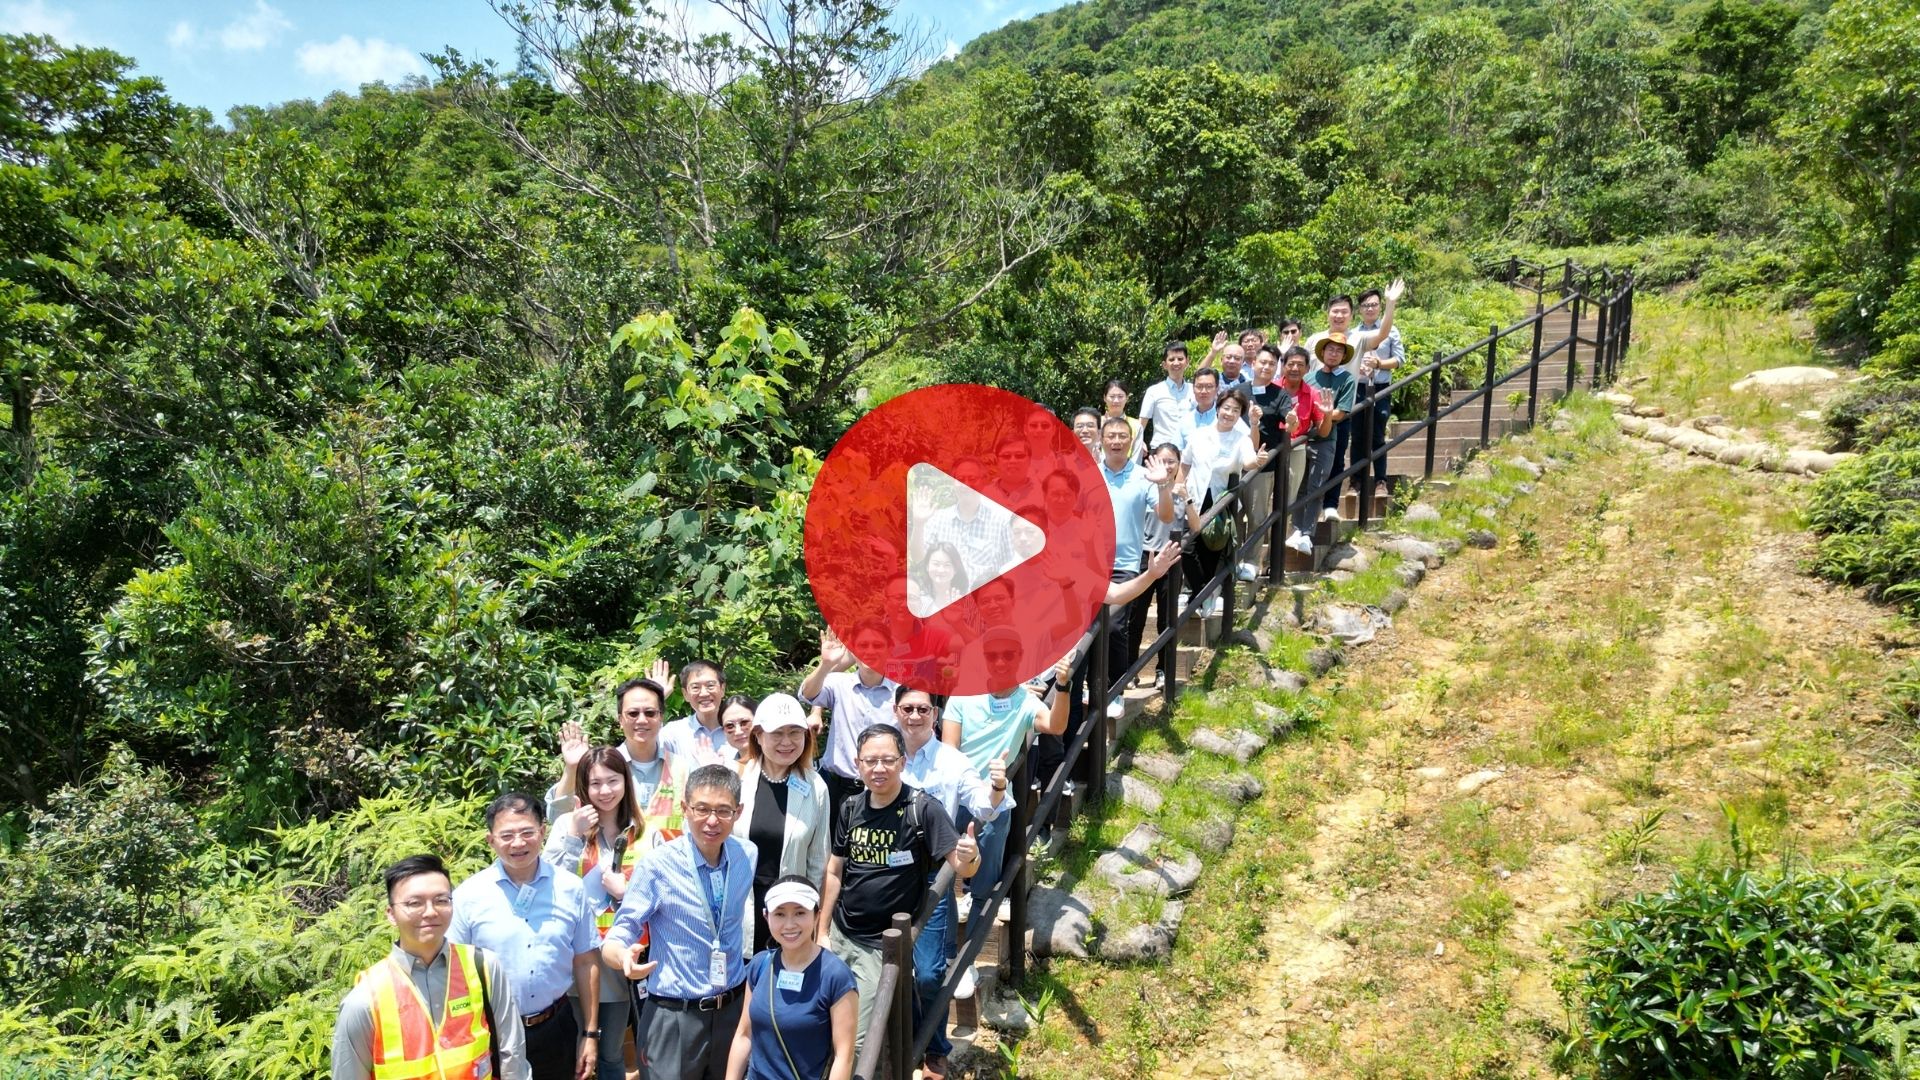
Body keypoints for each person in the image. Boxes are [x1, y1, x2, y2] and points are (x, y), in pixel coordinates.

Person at [819, 725, 980, 1076]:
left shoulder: (922, 808)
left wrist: (970, 855)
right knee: (823, 1028)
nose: (879, 768)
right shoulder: (850, 807)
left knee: (860, 1039)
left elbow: (961, 866)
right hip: (842, 933)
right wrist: (822, 930)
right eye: (870, 761)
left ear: (902, 762)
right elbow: (834, 872)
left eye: (888, 760)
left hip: (881, 946)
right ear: (858, 764)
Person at [603, 764, 757, 1080]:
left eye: (723, 811)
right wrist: (623, 958)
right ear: (685, 808)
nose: (712, 820)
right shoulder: (658, 865)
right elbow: (622, 929)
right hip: (675, 1015)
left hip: (731, 1010)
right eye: (702, 809)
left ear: (738, 812)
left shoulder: (746, 855)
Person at [333, 854, 530, 1080]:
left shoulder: (483, 967)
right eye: (414, 903)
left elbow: (511, 1051)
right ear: (391, 914)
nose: (430, 912)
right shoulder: (365, 999)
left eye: (441, 900)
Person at [450, 794, 603, 1080]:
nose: (518, 843)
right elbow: (451, 974)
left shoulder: (570, 888)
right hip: (490, 1033)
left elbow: (586, 961)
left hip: (555, 1027)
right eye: (506, 835)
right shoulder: (467, 897)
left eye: (527, 832)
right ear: (490, 840)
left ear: (542, 832)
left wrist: (590, 1033)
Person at [895, 686, 1010, 1066]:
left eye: (922, 709)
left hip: (933, 876)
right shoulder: (882, 754)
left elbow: (982, 806)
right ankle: (900, 1047)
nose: (914, 716)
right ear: (896, 711)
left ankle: (933, 1048)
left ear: (935, 713)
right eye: (908, 708)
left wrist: (996, 786)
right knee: (891, 972)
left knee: (929, 973)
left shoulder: (951, 760)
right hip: (885, 875)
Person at [542, 748, 648, 1080]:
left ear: (625, 782)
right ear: (584, 787)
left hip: (620, 959)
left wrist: (625, 892)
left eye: (612, 781)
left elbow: (657, 895)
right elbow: (544, 879)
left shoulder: (643, 832)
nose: (604, 791)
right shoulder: (566, 825)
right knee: (577, 1050)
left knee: (613, 1052)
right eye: (595, 783)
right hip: (576, 958)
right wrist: (574, 836)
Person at [940, 627, 1065, 903]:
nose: (999, 662)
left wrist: (1064, 687)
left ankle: (978, 929)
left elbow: (1056, 725)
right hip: (956, 798)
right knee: (941, 886)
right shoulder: (962, 695)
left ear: (1020, 658)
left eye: (1008, 655)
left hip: (995, 802)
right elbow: (948, 753)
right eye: (992, 656)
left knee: (985, 889)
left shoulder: (1026, 702)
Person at [724, 876, 857, 1080]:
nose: (789, 924)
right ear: (766, 917)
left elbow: (843, 1056)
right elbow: (744, 1035)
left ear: (816, 915)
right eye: (779, 914)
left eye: (800, 913)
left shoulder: (835, 976)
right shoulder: (759, 966)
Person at [733, 693, 831, 953]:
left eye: (794, 733)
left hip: (790, 912)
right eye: (777, 733)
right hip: (740, 906)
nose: (786, 742)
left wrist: (811, 918)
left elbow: (818, 862)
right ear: (758, 735)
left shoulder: (815, 787)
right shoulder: (737, 778)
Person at [1098, 415, 1176, 701]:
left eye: (1122, 436)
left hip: (1126, 564)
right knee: (1090, 631)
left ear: (1131, 442)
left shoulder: (1144, 477)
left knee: (1116, 627)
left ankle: (1116, 690)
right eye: (1111, 436)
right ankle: (1097, 689)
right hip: (1090, 566)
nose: (1116, 441)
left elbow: (1166, 516)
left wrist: (1164, 485)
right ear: (1101, 440)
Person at [799, 624, 901, 834]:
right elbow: (806, 694)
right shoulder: (838, 683)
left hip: (885, 787)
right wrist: (826, 665)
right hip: (839, 787)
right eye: (863, 645)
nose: (870, 651)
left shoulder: (900, 692)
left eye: (877, 645)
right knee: (829, 854)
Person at [546, 667, 683, 824]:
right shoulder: (603, 765)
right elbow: (558, 818)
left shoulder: (681, 768)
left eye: (650, 713)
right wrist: (572, 769)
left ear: (661, 718)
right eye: (633, 714)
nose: (642, 720)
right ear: (620, 720)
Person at [1180, 387, 1260, 606]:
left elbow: (1249, 462)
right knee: (1187, 547)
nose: (1229, 413)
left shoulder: (1241, 439)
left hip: (1219, 500)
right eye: (1226, 408)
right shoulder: (1200, 434)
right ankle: (1201, 592)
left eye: (1235, 410)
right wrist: (1178, 484)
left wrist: (1259, 460)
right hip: (1194, 497)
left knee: (1211, 547)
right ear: (1218, 408)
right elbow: (1185, 462)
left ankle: (1205, 596)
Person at [914, 456, 1014, 585]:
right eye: (960, 480)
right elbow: (919, 558)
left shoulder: (1002, 522)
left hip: (986, 601)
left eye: (972, 479)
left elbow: (1012, 568)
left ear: (984, 481)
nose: (966, 485)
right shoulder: (938, 519)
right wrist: (918, 524)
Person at [1353, 284, 1408, 499]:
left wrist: (1379, 364)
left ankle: (1381, 481)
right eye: (1365, 305)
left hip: (1381, 388)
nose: (1370, 309)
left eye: (1374, 304)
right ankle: (1355, 480)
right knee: (1356, 435)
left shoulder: (1390, 329)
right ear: (1359, 309)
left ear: (1380, 306)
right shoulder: (1353, 333)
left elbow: (1400, 360)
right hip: (1357, 388)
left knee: (1377, 434)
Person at [1280, 345, 1332, 553]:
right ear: (1283, 366)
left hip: (1296, 451)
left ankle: (1290, 536)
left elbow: (1324, 432)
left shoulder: (1312, 394)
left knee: (1293, 496)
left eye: (1300, 365)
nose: (1294, 368)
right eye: (1290, 363)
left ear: (1308, 368)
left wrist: (1327, 414)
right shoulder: (1273, 387)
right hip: (1272, 451)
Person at [1308, 333, 1358, 523]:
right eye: (1331, 349)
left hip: (1338, 427)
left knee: (1336, 464)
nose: (1334, 354)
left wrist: (1324, 415)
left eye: (1339, 351)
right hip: (1310, 430)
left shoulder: (1347, 378)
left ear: (1343, 356)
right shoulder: (1310, 377)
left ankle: (1330, 505)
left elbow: (1342, 410)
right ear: (1322, 352)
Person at [661, 660, 736, 765]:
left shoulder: (740, 731)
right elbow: (645, 750)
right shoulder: (674, 733)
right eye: (695, 687)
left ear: (722, 689)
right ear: (685, 694)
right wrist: (657, 698)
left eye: (710, 685)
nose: (704, 693)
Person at [1137, 342, 1195, 451]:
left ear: (1187, 362)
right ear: (1164, 364)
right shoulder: (1154, 391)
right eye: (1172, 359)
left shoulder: (1194, 390)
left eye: (1180, 359)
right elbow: (1142, 422)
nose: (1176, 363)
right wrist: (1138, 441)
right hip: (1160, 450)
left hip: (1189, 450)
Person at [1101, 380, 1144, 458]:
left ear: (1127, 398)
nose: (1116, 400)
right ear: (1104, 398)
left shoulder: (1136, 425)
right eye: (1112, 396)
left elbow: (1136, 457)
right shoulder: (1096, 423)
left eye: (1120, 396)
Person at [718, 695, 757, 759]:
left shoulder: (774, 763)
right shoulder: (728, 765)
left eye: (744, 723)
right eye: (730, 726)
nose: (738, 732)